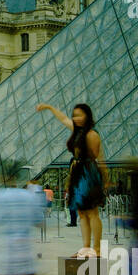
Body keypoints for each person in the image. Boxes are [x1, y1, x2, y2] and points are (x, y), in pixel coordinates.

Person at [37, 102, 108, 257]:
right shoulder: (78, 131)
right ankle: (86, 247)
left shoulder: (91, 134)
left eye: (79, 115)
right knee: (82, 213)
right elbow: (63, 118)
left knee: (92, 212)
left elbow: (97, 157)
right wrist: (50, 107)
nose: (76, 118)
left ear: (87, 116)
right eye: (74, 115)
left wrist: (104, 178)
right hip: (78, 173)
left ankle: (96, 248)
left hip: (87, 173)